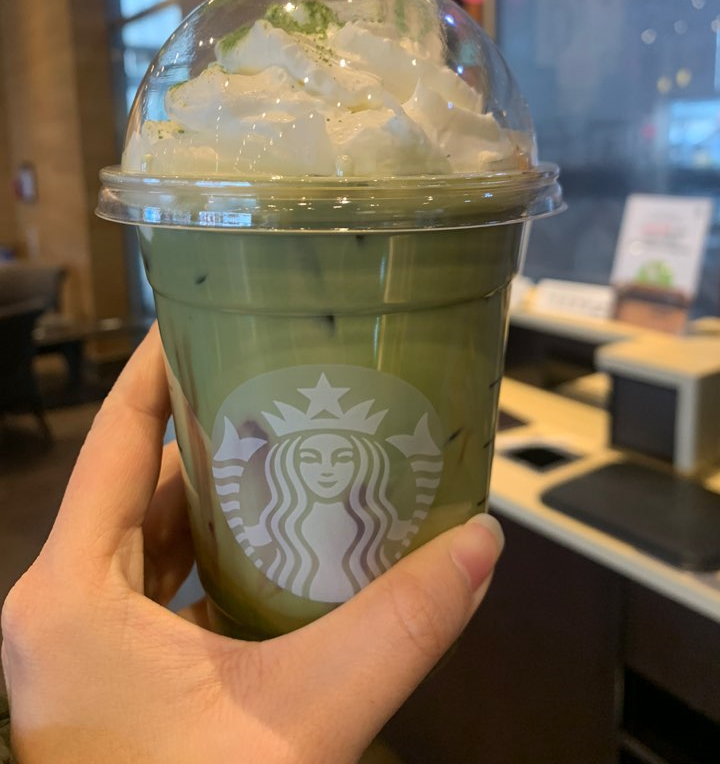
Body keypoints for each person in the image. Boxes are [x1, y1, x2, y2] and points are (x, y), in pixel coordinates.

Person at [0, 326, 504, 764]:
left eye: (342, 458)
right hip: (243, 623)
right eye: (311, 459)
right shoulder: (276, 528)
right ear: (289, 467)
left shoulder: (369, 523)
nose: (327, 471)